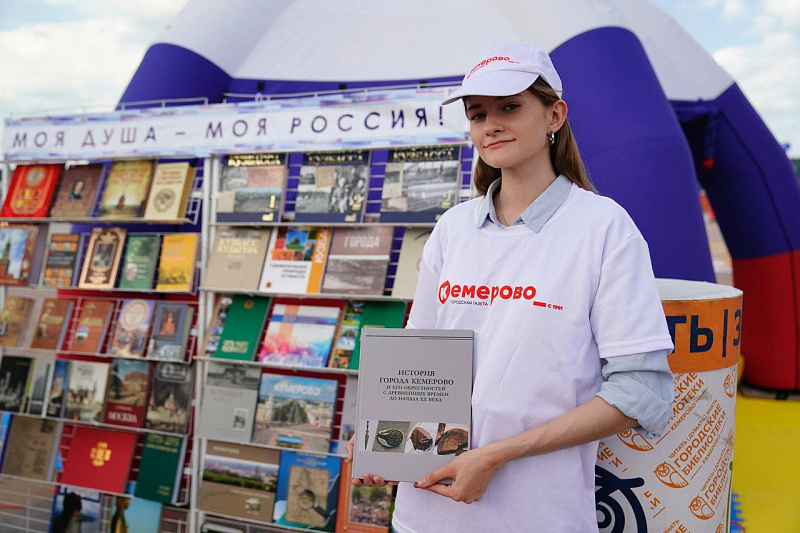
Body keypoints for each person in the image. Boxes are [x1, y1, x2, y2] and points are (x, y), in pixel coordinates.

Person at [347, 41, 675, 532]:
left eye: (510, 107)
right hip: (424, 516)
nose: (491, 125)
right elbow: (418, 359)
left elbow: (640, 391)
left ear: (554, 115)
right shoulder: (452, 228)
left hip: (539, 518)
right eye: (478, 114)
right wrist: (381, 430)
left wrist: (497, 455)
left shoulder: (604, 228)